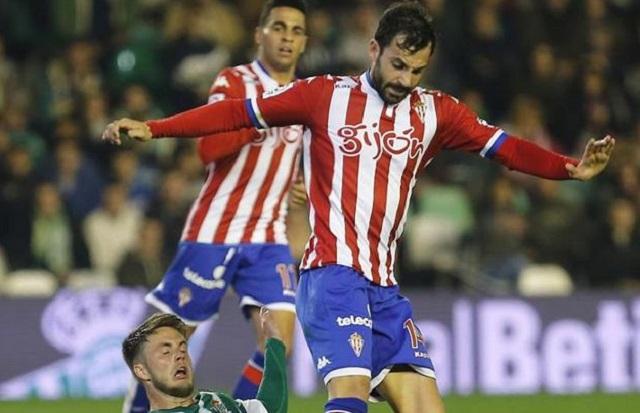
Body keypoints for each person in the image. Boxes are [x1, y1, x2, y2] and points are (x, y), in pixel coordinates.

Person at [104, 2, 615, 412]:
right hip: (331, 275)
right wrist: (156, 127)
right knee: (348, 398)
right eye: (397, 64)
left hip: (385, 290)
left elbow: (506, 148)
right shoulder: (323, 96)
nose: (405, 79)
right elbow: (236, 113)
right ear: (373, 49)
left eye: (416, 69)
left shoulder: (437, 112)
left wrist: (570, 168)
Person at [123, 1, 308, 412]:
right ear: (260, 34)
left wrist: (302, 183)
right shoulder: (235, 81)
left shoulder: (304, 97)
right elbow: (209, 149)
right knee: (167, 344)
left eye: (296, 31)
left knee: (279, 340)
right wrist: (260, 116)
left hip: (268, 237)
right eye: (278, 27)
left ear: (304, 42)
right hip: (215, 230)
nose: (287, 37)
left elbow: (302, 159)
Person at [122, 308, 287, 413]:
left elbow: (268, 409)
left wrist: (274, 344)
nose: (180, 355)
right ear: (142, 371)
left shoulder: (217, 402)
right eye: (166, 352)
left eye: (182, 348)